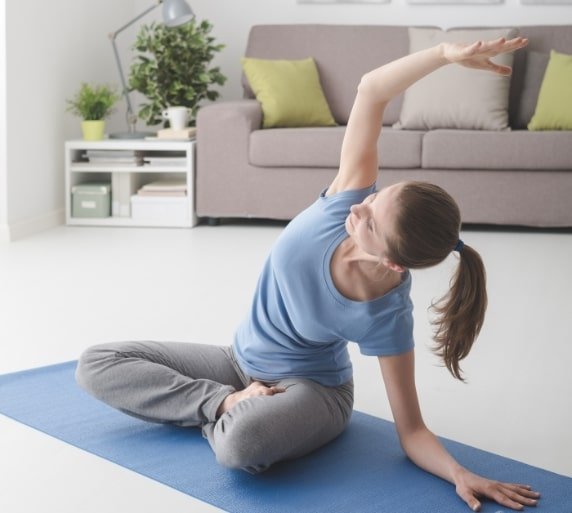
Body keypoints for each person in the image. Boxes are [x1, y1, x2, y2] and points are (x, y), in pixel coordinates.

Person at [76, 35, 540, 511]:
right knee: (97, 363)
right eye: (378, 195)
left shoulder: (387, 314)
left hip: (313, 393)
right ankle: (224, 406)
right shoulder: (345, 198)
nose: (360, 206)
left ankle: (233, 413)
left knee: (242, 448)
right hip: (237, 363)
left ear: (393, 262)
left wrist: (461, 474)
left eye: (372, 220)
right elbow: (372, 90)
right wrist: (444, 55)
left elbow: (412, 431)